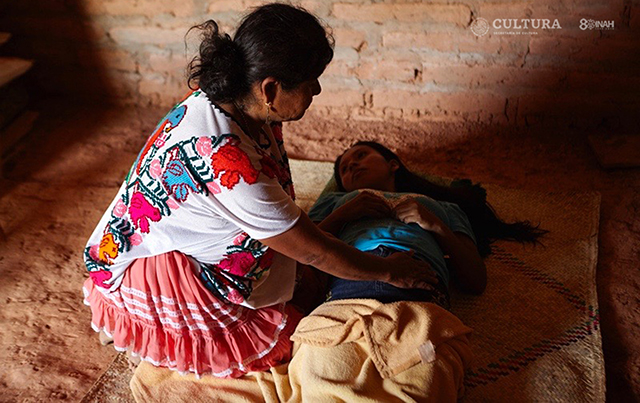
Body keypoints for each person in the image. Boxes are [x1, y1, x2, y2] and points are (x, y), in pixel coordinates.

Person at [81, 4, 436, 378]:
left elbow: (286, 227)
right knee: (284, 344)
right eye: (310, 80)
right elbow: (315, 251)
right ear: (270, 88)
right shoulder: (230, 164)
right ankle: (143, 326)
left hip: (155, 241)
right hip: (163, 267)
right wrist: (389, 271)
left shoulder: (233, 103)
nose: (317, 88)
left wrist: (334, 222)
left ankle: (130, 327)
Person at [308, 141, 547, 308]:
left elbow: (476, 281)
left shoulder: (444, 207)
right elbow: (303, 252)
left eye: (361, 155)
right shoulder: (335, 201)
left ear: (393, 164)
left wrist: (435, 225)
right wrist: (343, 213)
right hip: (351, 273)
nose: (352, 166)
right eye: (344, 169)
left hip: (418, 277)